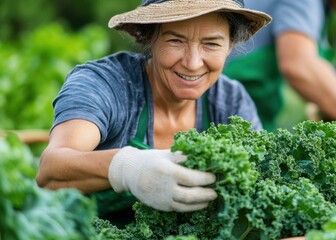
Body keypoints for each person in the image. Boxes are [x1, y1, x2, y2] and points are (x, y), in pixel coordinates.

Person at [35, 0, 272, 224]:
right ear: (149, 37)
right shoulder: (105, 84)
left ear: (230, 45)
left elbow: (259, 197)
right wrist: (127, 168)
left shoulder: (230, 102)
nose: (192, 63)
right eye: (175, 41)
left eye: (211, 43)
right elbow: (51, 170)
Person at [223, 0, 336, 159]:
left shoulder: (319, 12)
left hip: (251, 117)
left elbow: (325, 79)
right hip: (224, 109)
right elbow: (299, 65)